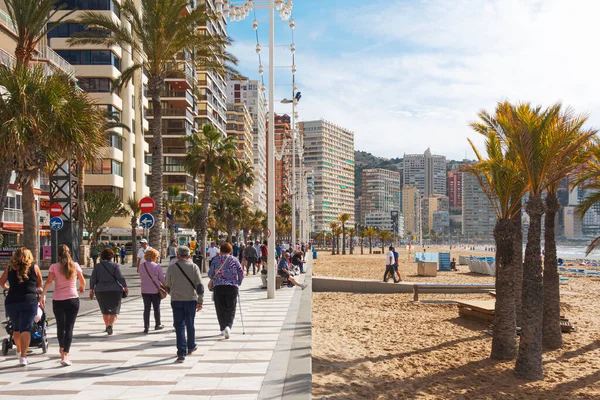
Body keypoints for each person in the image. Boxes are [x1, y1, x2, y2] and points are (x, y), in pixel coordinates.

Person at [40, 245, 85, 366]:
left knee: (61, 326)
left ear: (58, 255)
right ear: (69, 253)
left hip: (58, 300)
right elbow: (82, 280)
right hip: (72, 300)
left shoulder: (53, 267)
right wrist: (82, 287)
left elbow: (49, 282)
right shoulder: (75, 265)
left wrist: (42, 296)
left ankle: (61, 349)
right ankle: (66, 354)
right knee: (69, 327)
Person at [0, 247, 43, 366]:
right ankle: (23, 357)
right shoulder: (35, 267)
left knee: (16, 328)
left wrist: (9, 288)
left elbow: (1, 282)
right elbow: (39, 283)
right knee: (26, 328)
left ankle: (19, 350)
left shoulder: (9, 268)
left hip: (12, 302)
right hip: (29, 301)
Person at [166, 246, 203, 363]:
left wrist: (172, 293)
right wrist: (200, 301)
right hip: (191, 299)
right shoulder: (194, 267)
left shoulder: (171, 268)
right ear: (189, 255)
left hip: (176, 300)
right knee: (190, 323)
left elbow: (167, 285)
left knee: (179, 326)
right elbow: (200, 286)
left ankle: (181, 353)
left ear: (177, 255)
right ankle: (191, 345)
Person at [208, 242, 244, 339]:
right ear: (230, 250)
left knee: (220, 308)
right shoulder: (234, 259)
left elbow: (210, 274)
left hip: (218, 286)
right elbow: (241, 271)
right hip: (232, 286)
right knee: (231, 308)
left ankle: (222, 328)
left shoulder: (215, 260)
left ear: (220, 250)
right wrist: (239, 282)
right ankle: (228, 326)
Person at [90, 248, 128, 335]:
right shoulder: (115, 265)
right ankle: (110, 325)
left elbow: (93, 279)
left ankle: (107, 326)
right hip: (115, 290)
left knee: (105, 309)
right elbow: (120, 277)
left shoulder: (97, 266)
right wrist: (125, 287)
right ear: (111, 256)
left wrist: (91, 289)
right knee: (115, 310)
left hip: (101, 290)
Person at [139, 248, 166, 334]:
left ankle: (146, 327)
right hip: (155, 290)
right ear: (155, 256)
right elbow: (162, 279)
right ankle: (157, 324)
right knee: (156, 308)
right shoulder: (157, 266)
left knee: (146, 309)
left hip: (144, 290)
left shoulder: (141, 266)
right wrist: (166, 286)